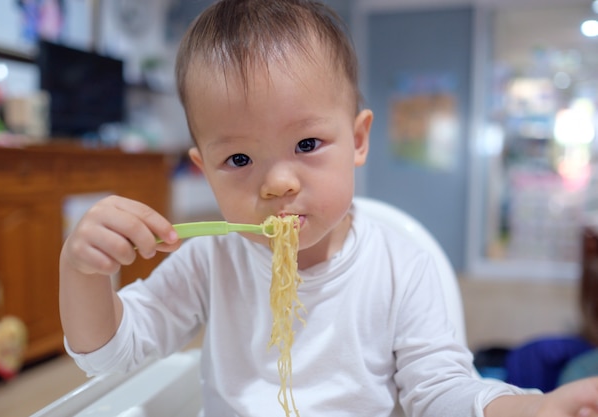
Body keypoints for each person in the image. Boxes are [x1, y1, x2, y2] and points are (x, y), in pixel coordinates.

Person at [59, 0, 598, 415]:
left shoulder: (401, 264)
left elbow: (439, 391)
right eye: (239, 158)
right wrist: (82, 271)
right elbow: (110, 357)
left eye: (308, 145)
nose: (278, 183)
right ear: (205, 171)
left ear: (358, 140)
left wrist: (531, 405)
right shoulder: (212, 258)